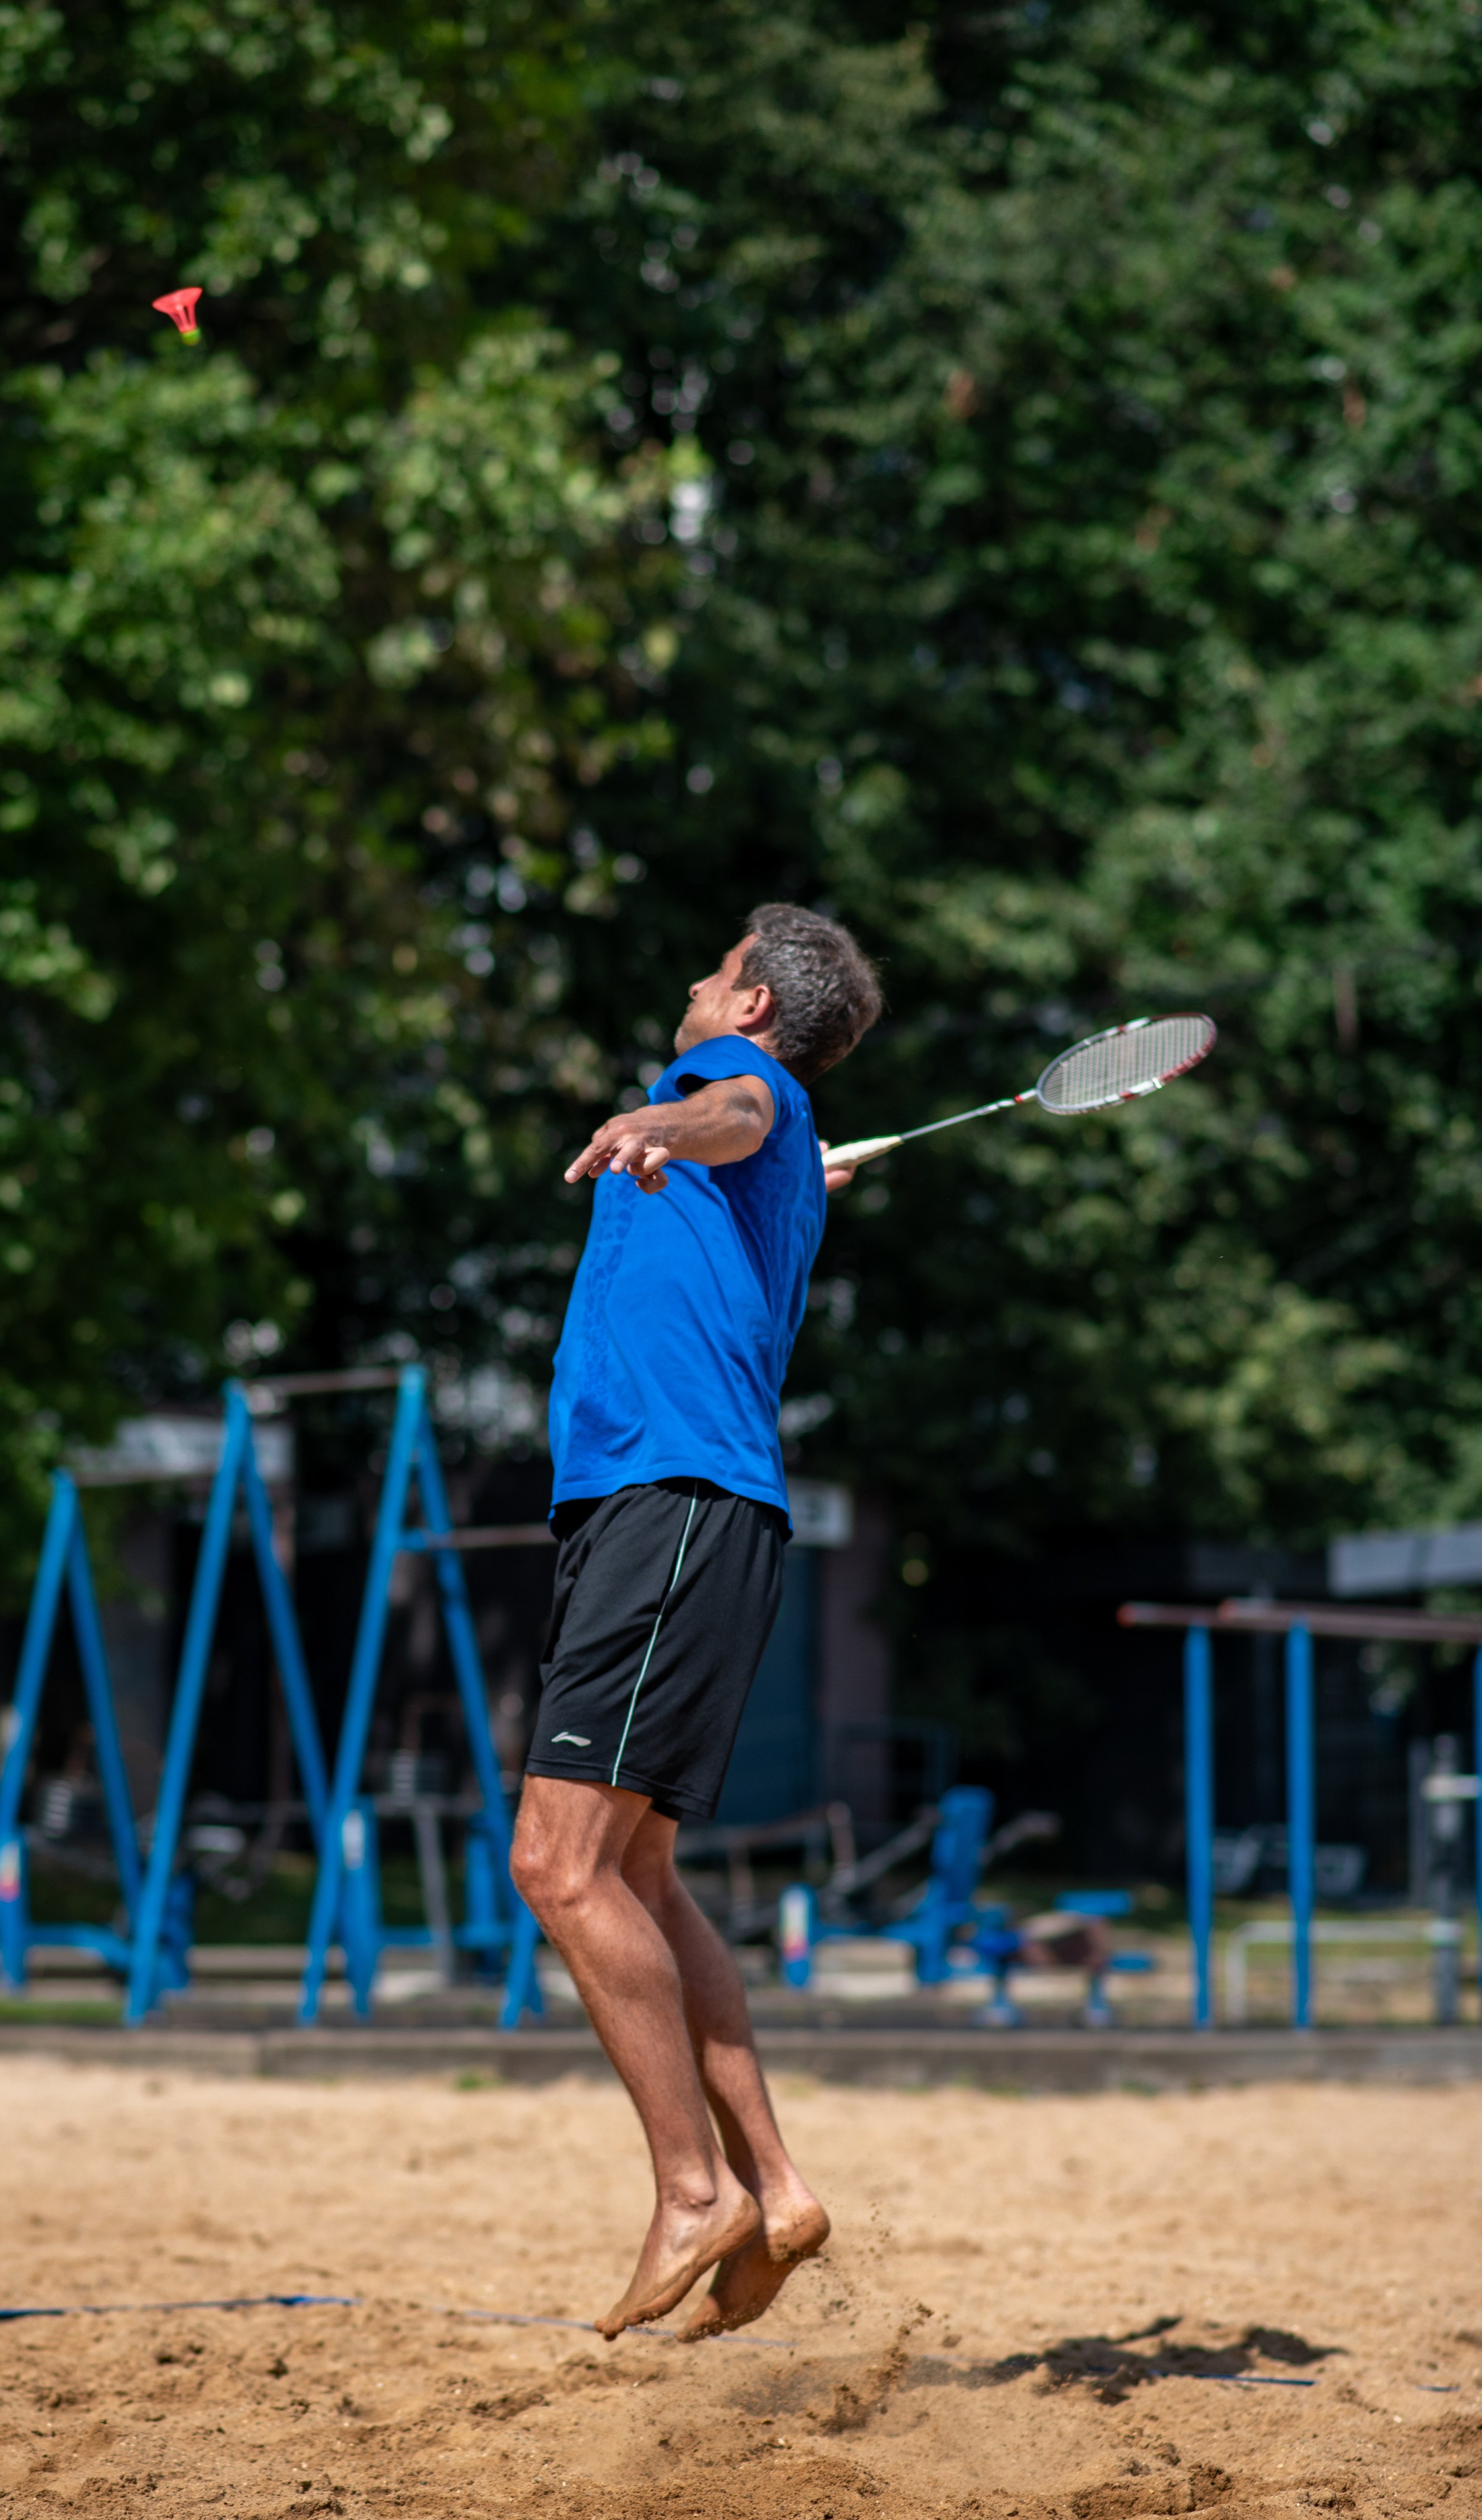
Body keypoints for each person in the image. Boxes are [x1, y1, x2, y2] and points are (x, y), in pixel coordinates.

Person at [509, 902, 883, 2342]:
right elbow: (754, 1139)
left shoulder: (726, 1094)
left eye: (713, 967)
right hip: (684, 1512)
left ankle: (689, 2188)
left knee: (556, 1862)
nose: (687, 977)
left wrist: (661, 1121)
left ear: (747, 1009)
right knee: (641, 1876)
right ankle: (774, 2186)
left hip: (668, 1501)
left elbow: (732, 1107)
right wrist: (760, 1164)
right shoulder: (776, 1157)